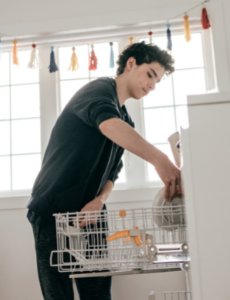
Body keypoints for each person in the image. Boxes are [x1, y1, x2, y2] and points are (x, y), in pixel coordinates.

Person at [27, 42, 181, 300]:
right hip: (52, 209)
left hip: (91, 212)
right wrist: (160, 160)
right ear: (131, 64)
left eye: (157, 81)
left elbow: (112, 173)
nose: (153, 85)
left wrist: (100, 201)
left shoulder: (125, 120)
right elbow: (107, 125)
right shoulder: (98, 90)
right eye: (150, 74)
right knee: (58, 295)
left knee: (98, 293)